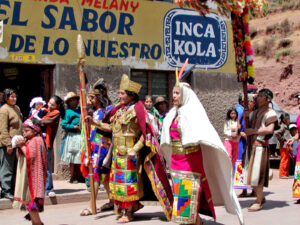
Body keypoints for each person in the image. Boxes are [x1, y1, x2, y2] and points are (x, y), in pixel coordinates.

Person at [160, 81, 244, 225]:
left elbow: (205, 134)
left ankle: (193, 221)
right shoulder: (172, 114)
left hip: (190, 159)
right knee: (180, 192)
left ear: (185, 94)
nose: (173, 96)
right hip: (176, 159)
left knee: (187, 190)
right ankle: (195, 220)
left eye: (177, 93)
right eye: (173, 93)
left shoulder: (194, 113)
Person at [103, 74, 173, 223]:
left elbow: (145, 133)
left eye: (122, 93)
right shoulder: (119, 111)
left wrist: (135, 149)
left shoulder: (138, 111)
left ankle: (128, 212)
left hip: (130, 152)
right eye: (119, 93)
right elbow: (111, 128)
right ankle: (130, 207)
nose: (119, 96)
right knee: (118, 183)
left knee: (129, 183)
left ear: (130, 95)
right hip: (117, 152)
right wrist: (94, 123)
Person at [80, 82, 114, 216]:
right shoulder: (92, 111)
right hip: (94, 146)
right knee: (102, 176)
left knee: (95, 175)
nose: (90, 100)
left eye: (92, 98)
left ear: (99, 98)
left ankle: (91, 205)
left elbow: (110, 128)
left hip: (103, 146)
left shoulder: (109, 110)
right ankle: (112, 201)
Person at [244, 88, 278, 211]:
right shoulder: (255, 112)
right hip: (251, 146)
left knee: (256, 176)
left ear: (267, 99)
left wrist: (253, 131)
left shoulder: (270, 113)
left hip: (260, 147)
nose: (257, 98)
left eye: (260, 96)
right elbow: (247, 125)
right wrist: (246, 116)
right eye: (257, 96)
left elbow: (269, 130)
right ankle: (260, 196)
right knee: (249, 175)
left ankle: (258, 201)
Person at [13, 118, 47, 225]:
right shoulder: (30, 140)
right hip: (27, 176)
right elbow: (20, 156)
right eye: (23, 130)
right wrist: (19, 146)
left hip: (33, 178)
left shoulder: (37, 140)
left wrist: (22, 146)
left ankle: (38, 224)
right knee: (30, 205)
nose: (24, 133)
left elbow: (30, 156)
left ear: (35, 130)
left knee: (31, 204)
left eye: (27, 130)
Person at [0, 88, 23, 200]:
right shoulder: (4, 110)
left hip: (17, 142)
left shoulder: (17, 108)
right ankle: (5, 190)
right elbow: (3, 129)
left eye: (15, 96)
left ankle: (13, 189)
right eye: (11, 97)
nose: (14, 99)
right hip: (8, 143)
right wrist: (7, 144)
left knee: (15, 166)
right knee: (7, 167)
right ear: (6, 98)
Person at [41, 95, 65, 197]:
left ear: (57, 106)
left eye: (52, 104)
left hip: (47, 143)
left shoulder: (56, 113)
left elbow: (46, 122)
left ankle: (49, 188)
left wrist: (38, 121)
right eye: (49, 103)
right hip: (42, 142)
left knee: (46, 166)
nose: (49, 105)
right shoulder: (46, 111)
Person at [60, 92, 81, 183]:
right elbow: (64, 124)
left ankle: (80, 175)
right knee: (73, 157)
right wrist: (74, 127)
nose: (73, 102)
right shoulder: (68, 112)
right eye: (71, 101)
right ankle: (73, 176)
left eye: (74, 100)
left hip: (81, 135)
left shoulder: (81, 110)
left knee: (80, 156)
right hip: (73, 136)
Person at [275, 113, 292, 178]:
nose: (289, 120)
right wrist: (282, 139)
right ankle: (282, 174)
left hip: (286, 146)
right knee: (284, 159)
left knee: (287, 159)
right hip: (283, 146)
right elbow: (276, 133)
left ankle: (285, 173)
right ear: (285, 120)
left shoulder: (285, 126)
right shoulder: (282, 126)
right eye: (288, 119)